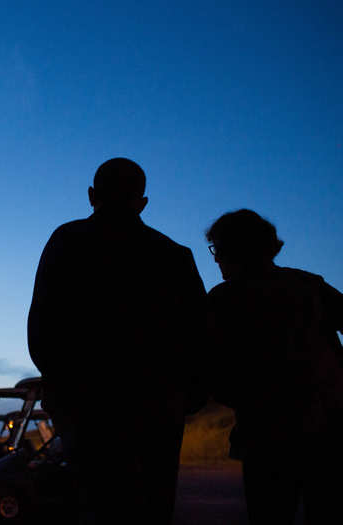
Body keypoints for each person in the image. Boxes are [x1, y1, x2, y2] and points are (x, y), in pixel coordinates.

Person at [27, 157, 207, 524]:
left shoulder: (67, 241)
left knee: (95, 504)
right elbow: (200, 336)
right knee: (154, 505)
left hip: (85, 407)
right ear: (142, 202)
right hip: (158, 408)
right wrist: (186, 397)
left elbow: (42, 327)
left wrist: (63, 389)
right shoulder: (175, 256)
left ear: (92, 195)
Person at [205, 209, 343, 525]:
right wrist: (341, 376)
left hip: (269, 438)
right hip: (336, 432)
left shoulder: (224, 299)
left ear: (232, 250)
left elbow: (209, 364)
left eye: (217, 249)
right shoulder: (308, 286)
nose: (215, 260)